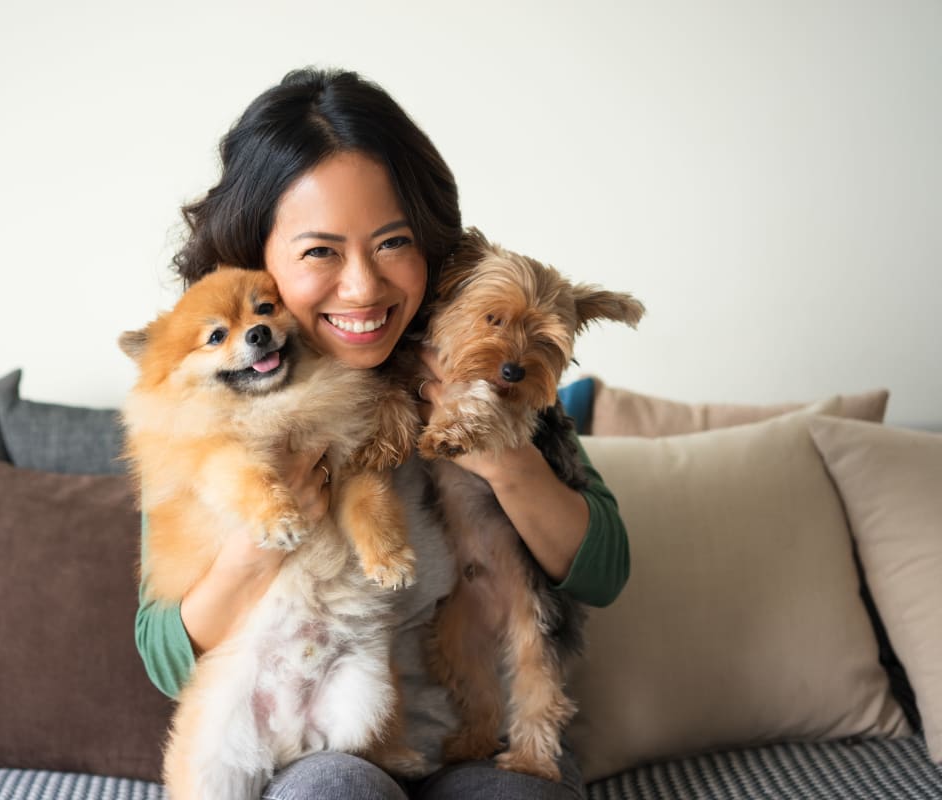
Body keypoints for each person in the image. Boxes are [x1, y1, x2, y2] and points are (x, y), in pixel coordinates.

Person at [134, 67, 629, 800]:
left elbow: (604, 570)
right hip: (322, 749)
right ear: (257, 255)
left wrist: (505, 460)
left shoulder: (482, 363)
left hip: (487, 751)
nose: (363, 286)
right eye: (319, 251)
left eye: (392, 242)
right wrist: (259, 536)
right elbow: (166, 656)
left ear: (431, 246)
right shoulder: (218, 411)